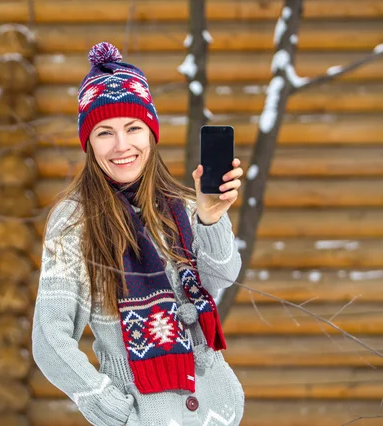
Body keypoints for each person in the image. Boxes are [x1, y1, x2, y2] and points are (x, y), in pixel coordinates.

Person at [32, 41, 245, 426]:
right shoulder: (74, 220)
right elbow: (49, 339)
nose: (122, 146)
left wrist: (212, 219)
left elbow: (220, 280)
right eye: (104, 132)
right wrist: (112, 409)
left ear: (151, 132)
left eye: (133, 128)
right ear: (88, 142)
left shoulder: (184, 205)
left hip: (217, 410)